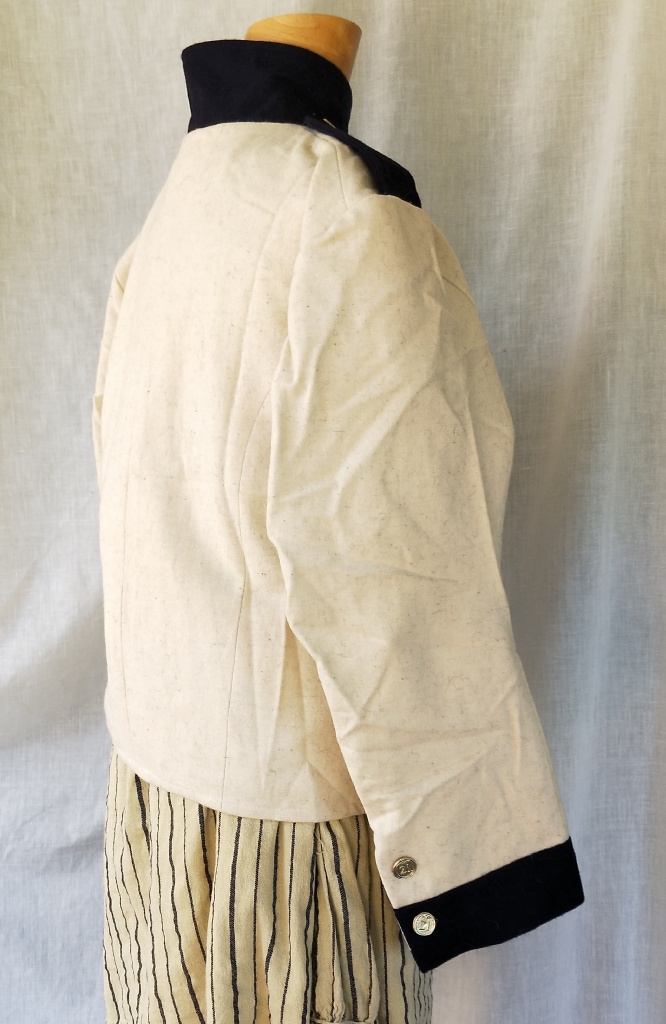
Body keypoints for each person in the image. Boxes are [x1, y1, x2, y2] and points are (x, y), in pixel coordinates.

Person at [93, 14, 583, 1024]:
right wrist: (475, 858)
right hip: (291, 848)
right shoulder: (349, 225)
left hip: (150, 798)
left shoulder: (177, 207)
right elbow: (400, 569)